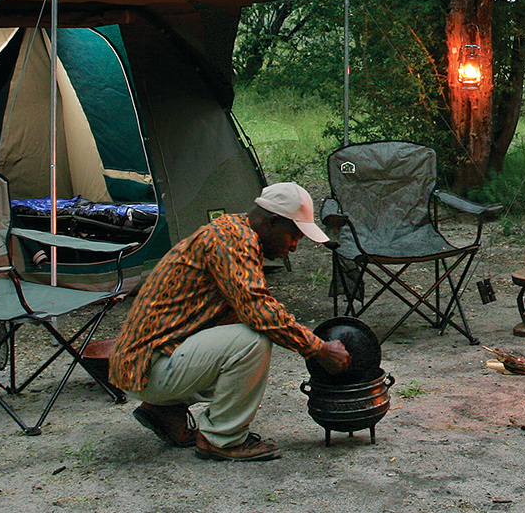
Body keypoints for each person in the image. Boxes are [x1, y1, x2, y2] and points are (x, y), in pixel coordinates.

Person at [108, 182, 350, 462]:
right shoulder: (234, 241)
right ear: (272, 222)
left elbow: (252, 306)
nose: (294, 247)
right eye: (294, 236)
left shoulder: (234, 231)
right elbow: (262, 313)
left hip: (146, 361)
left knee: (239, 327)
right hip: (147, 366)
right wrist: (318, 349)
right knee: (253, 341)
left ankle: (163, 410)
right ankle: (222, 439)